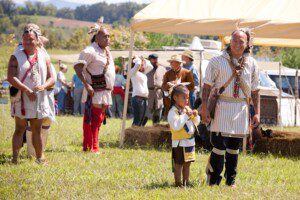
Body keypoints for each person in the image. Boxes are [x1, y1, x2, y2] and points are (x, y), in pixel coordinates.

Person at [200, 28, 260, 187]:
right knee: (218, 146)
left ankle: (230, 181)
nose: (238, 44)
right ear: (229, 41)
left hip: (241, 107)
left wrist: (257, 113)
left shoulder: (252, 63)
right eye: (235, 40)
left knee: (234, 147)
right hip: (221, 107)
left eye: (241, 41)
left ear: (247, 43)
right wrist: (205, 108)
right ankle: (213, 180)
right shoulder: (216, 61)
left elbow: (255, 90)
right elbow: (206, 86)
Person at [7, 23, 54, 164]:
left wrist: (43, 86)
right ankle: (14, 158)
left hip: (38, 98)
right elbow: (11, 77)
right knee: (20, 129)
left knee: (36, 129)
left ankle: (40, 158)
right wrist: (26, 90)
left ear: (37, 40)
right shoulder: (15, 56)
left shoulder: (44, 56)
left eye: (31, 39)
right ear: (22, 40)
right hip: (21, 97)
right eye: (25, 39)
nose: (28, 41)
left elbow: (52, 78)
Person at [74, 19, 115, 153]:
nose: (108, 38)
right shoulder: (90, 51)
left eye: (109, 36)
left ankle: (93, 146)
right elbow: (78, 68)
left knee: (99, 119)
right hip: (94, 90)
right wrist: (86, 85)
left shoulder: (107, 51)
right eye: (105, 36)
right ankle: (91, 147)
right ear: (96, 37)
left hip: (105, 90)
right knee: (93, 119)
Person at [168, 84, 200, 187]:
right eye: (184, 97)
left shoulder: (186, 109)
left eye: (187, 97)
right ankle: (178, 183)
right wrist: (186, 115)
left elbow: (196, 123)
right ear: (175, 98)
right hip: (179, 143)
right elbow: (176, 126)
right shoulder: (172, 112)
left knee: (188, 163)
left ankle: (186, 182)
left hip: (189, 142)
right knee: (179, 163)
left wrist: (195, 116)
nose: (187, 100)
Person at [143, 54, 166, 125]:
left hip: (158, 93)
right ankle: (140, 128)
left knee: (158, 112)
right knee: (146, 113)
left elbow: (165, 80)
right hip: (148, 92)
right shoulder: (145, 69)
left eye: (156, 59)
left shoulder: (162, 68)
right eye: (153, 59)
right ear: (149, 60)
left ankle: (155, 128)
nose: (155, 61)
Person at [130, 56, 153, 126]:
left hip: (144, 99)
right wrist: (138, 59)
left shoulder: (143, 73)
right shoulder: (132, 72)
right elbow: (137, 65)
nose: (143, 65)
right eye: (142, 64)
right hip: (138, 98)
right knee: (137, 120)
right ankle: (132, 134)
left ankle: (139, 133)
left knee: (143, 119)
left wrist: (143, 59)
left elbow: (150, 66)